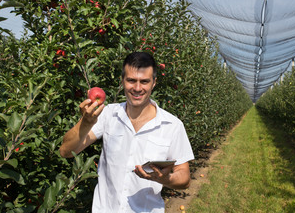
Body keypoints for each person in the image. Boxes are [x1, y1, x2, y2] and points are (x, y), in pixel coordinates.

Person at [59, 51, 194, 213]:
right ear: (122, 80)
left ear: (154, 83)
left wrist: (166, 179)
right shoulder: (108, 114)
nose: (137, 88)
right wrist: (86, 123)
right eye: (131, 80)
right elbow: (66, 151)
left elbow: (184, 177)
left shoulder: (172, 125)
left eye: (144, 81)